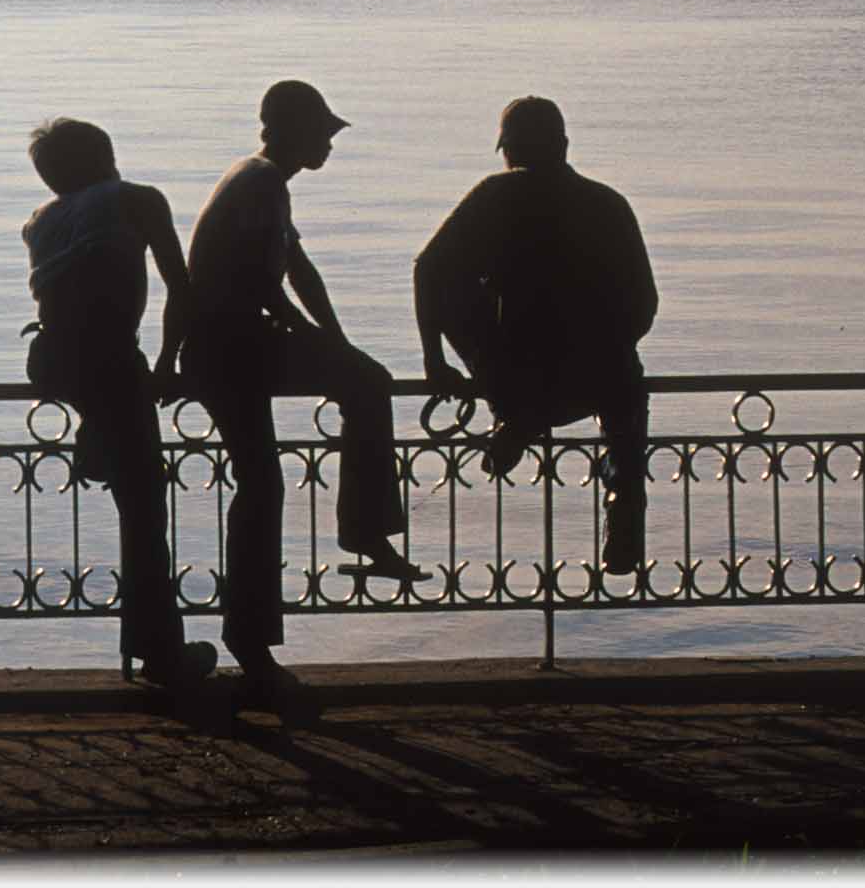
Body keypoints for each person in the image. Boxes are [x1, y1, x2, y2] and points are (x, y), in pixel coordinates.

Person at [182, 80, 424, 701]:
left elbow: (299, 269)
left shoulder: (262, 180)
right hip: (233, 349)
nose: (330, 145)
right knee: (262, 483)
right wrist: (324, 344)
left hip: (235, 346)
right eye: (324, 133)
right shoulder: (262, 183)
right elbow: (268, 290)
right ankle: (257, 636)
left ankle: (360, 535)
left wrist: (337, 344)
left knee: (357, 388)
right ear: (293, 132)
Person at [412, 96, 658, 575]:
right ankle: (624, 498)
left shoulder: (496, 195)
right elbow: (645, 304)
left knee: (457, 285)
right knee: (625, 418)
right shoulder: (608, 203)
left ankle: (515, 418)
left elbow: (428, 270)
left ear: (510, 150)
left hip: (517, 372)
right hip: (603, 376)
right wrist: (606, 342)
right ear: (563, 145)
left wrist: (435, 360)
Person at [20, 117, 218, 690]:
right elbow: (179, 289)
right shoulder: (139, 200)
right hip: (109, 361)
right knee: (145, 508)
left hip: (51, 361)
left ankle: (96, 435)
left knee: (131, 481)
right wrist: (165, 365)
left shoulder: (40, 221)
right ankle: (160, 654)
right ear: (108, 155)